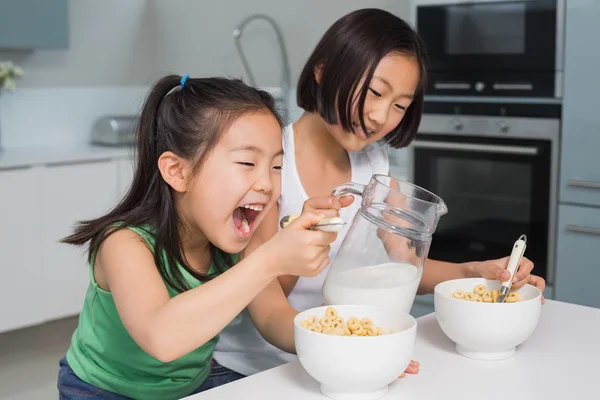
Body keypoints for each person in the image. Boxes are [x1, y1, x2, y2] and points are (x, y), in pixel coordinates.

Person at [212, 7, 546, 383]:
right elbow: (267, 307)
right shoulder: (271, 165)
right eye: (375, 92)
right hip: (255, 372)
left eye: (400, 105)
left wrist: (474, 273)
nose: (380, 116)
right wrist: (346, 345)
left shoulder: (373, 164)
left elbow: (401, 266)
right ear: (322, 71)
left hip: (337, 363)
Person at [56, 74, 345, 400]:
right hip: (100, 390)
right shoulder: (124, 243)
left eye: (277, 167)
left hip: (194, 387)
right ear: (178, 172)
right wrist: (271, 259)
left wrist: (346, 346)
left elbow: (274, 318)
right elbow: (161, 337)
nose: (266, 183)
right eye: (247, 162)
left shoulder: (239, 239)